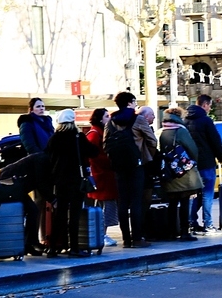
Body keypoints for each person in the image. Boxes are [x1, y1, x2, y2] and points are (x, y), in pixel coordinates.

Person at [44, 109, 100, 256]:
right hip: (76, 179)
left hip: (60, 180)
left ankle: (52, 248)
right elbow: (93, 151)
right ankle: (74, 247)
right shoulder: (78, 136)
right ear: (73, 121)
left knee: (60, 213)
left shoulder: (54, 138)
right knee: (74, 214)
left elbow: (47, 158)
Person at [107, 98, 150, 247]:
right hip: (136, 165)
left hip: (118, 166)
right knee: (136, 201)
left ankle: (126, 239)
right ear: (130, 102)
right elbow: (151, 140)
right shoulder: (138, 119)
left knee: (123, 202)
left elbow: (105, 143)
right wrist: (144, 157)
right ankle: (137, 238)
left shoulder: (111, 121)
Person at [159, 107, 203, 242]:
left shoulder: (163, 131)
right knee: (184, 202)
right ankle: (184, 232)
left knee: (172, 203)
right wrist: (193, 162)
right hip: (183, 172)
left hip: (169, 171)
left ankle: (172, 232)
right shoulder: (180, 131)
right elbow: (192, 149)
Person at [184, 93, 222, 235]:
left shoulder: (185, 121)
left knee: (193, 195)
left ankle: (191, 223)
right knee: (207, 194)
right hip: (207, 162)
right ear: (205, 104)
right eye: (210, 106)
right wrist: (220, 157)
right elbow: (215, 141)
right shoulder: (206, 121)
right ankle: (208, 225)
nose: (209, 109)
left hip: (191, 164)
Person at [18, 97, 54, 246]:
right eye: (38, 106)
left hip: (50, 165)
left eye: (43, 106)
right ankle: (35, 239)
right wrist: (42, 159)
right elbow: (30, 146)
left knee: (46, 203)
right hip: (38, 167)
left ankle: (46, 237)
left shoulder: (47, 122)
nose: (41, 108)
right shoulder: (27, 123)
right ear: (31, 108)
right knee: (39, 203)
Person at [85, 107, 119, 248]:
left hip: (104, 175)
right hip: (101, 175)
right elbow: (93, 156)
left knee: (105, 205)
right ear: (100, 119)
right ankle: (101, 234)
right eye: (106, 116)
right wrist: (110, 161)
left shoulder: (100, 132)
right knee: (104, 205)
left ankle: (102, 233)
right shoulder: (95, 134)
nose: (109, 119)